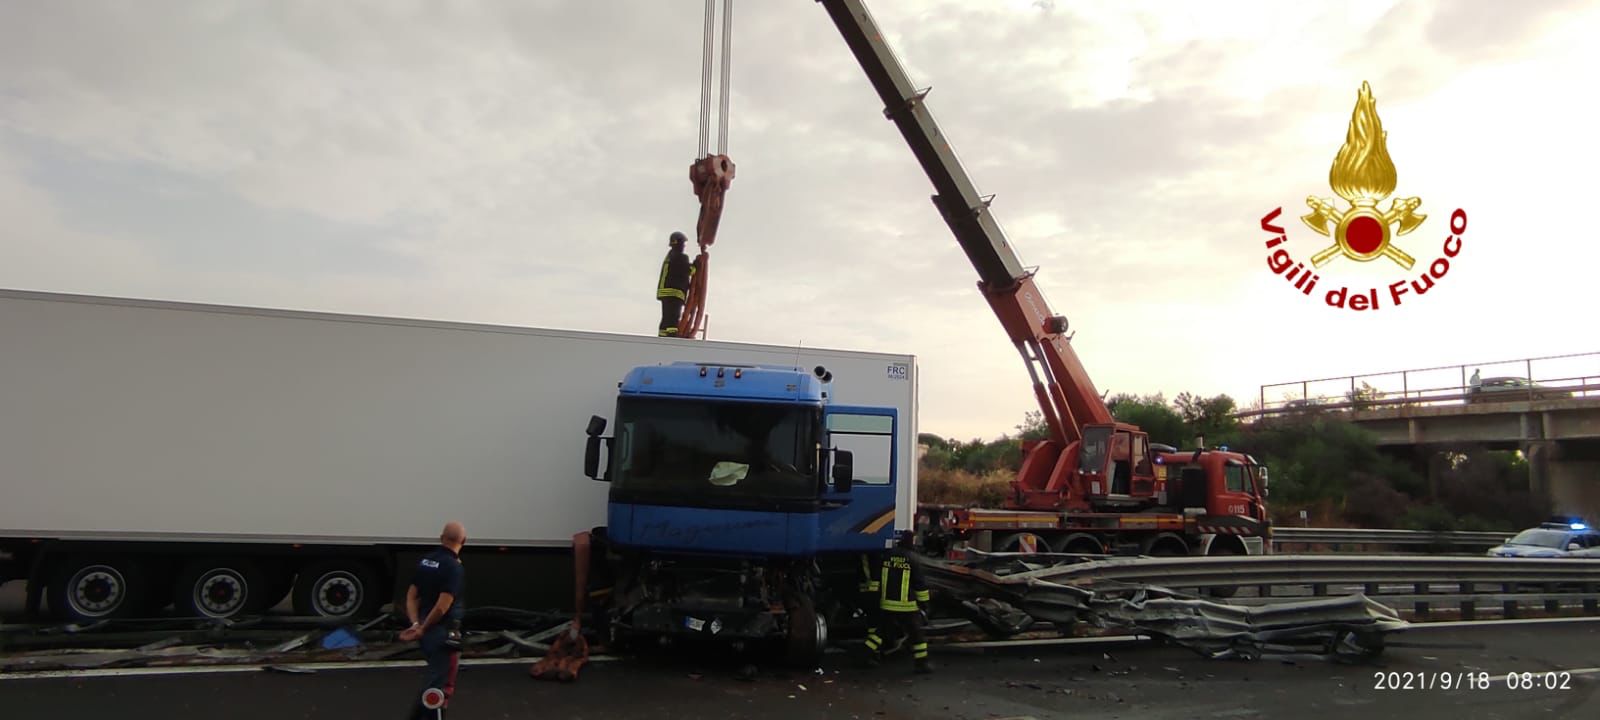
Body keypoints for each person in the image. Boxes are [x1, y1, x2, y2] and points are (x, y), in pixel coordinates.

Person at [401, 522, 467, 718]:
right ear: (464, 541)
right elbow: (442, 606)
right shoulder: (454, 568)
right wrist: (424, 628)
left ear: (441, 538)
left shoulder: (426, 561)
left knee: (434, 681)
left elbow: (411, 596)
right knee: (439, 689)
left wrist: (416, 624)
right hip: (442, 632)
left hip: (427, 631)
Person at [862, 531, 933, 674]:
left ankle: (866, 655)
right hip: (907, 606)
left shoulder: (886, 556)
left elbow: (876, 579)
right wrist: (925, 604)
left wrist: (873, 598)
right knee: (917, 636)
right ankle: (921, 664)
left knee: (879, 632)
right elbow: (920, 584)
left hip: (887, 603)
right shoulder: (913, 559)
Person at [657, 231, 694, 337]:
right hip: (674, 292)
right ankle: (671, 337)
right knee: (673, 317)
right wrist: (695, 267)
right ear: (678, 243)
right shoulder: (680, 257)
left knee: (666, 317)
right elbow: (688, 270)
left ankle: (662, 336)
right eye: (683, 244)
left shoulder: (670, 256)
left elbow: (677, 269)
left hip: (665, 292)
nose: (684, 246)